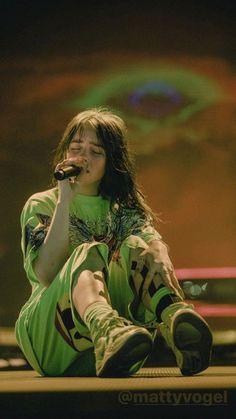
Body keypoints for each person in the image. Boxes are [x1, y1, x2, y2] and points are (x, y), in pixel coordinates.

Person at [15, 108, 212, 377]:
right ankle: (104, 327)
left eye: (96, 151)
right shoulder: (43, 204)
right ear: (64, 155)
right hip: (52, 337)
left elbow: (152, 252)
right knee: (89, 251)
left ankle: (174, 319)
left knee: (139, 246)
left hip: (123, 348)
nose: (83, 157)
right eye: (76, 148)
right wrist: (65, 200)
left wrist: (157, 247)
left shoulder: (124, 211)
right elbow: (46, 274)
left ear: (112, 161)